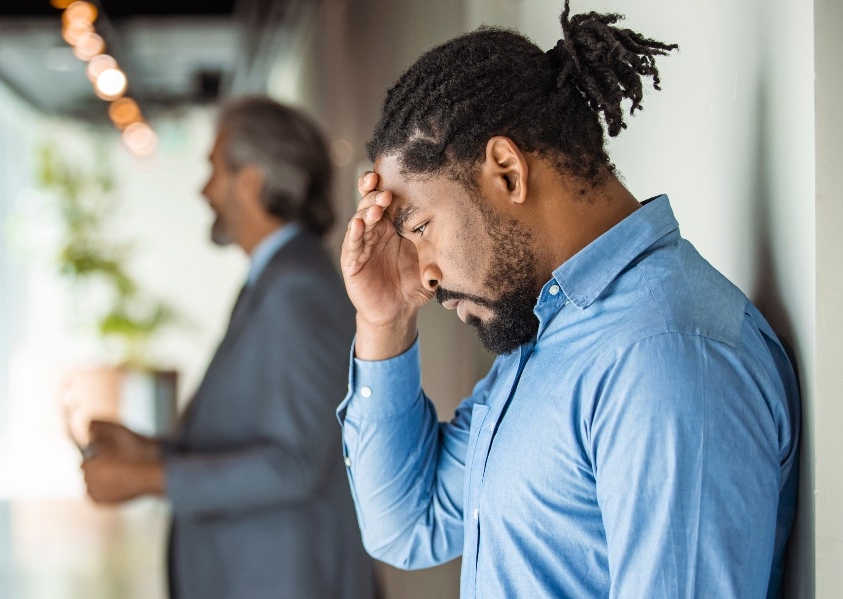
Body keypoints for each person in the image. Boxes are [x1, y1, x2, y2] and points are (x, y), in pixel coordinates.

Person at [337, 3, 800, 598]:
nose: (424, 278)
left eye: (419, 226)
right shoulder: (549, 332)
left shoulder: (665, 358)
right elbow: (408, 522)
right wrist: (385, 317)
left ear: (506, 171)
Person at [81, 96, 375, 599]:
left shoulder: (295, 289)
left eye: (214, 169)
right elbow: (261, 433)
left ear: (252, 180)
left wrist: (150, 477)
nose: (204, 190)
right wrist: (151, 450)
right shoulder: (279, 279)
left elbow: (296, 463)